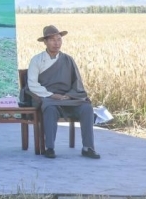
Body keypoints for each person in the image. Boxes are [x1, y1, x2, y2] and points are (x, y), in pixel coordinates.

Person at [27, 25, 100, 159]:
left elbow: (77, 82)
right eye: (52, 40)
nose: (56, 43)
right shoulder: (36, 60)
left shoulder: (68, 60)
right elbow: (32, 84)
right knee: (50, 109)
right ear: (45, 42)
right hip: (48, 98)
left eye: (59, 39)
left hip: (68, 98)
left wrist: (69, 95)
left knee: (87, 108)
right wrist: (52, 95)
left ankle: (88, 147)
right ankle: (49, 148)